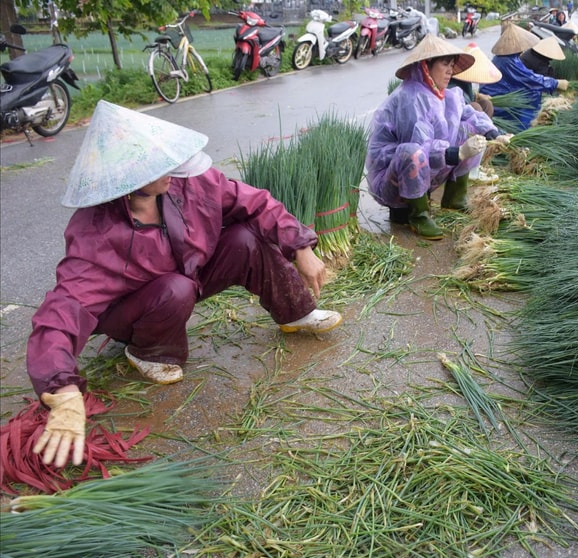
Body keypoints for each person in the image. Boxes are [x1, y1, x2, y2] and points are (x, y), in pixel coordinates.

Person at [28, 100, 343, 469]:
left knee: (244, 238)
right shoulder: (96, 231)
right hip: (136, 308)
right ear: (126, 177)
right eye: (158, 167)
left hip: (188, 277)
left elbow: (255, 203)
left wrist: (300, 246)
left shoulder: (184, 184)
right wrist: (62, 390)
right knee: (174, 288)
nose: (171, 172)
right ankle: (147, 351)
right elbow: (62, 311)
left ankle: (296, 313)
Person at [366, 34, 503, 240]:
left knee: (470, 130)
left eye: (452, 65)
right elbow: (419, 146)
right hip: (393, 180)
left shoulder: (445, 94)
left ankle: (455, 198)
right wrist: (457, 152)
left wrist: (494, 133)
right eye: (444, 64)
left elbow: (469, 113)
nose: (450, 71)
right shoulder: (410, 97)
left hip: (426, 170)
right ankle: (417, 214)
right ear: (425, 66)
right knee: (411, 152)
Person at [478, 24, 569, 133]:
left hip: (504, 91)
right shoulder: (507, 61)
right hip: (497, 96)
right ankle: (522, 129)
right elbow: (529, 79)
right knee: (531, 97)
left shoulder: (510, 58)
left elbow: (527, 75)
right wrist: (555, 83)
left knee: (534, 93)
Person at [449, 41, 502, 117]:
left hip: (466, 111)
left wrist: (478, 96)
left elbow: (469, 94)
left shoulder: (465, 81)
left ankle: (486, 126)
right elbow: (458, 102)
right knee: (475, 107)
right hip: (456, 115)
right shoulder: (451, 83)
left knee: (487, 104)